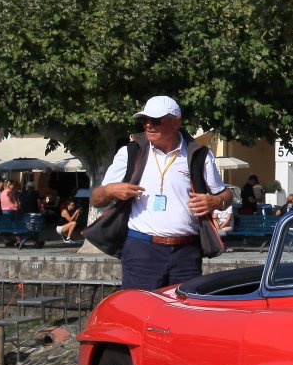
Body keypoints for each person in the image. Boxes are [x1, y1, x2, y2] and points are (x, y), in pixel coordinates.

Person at [92, 95, 231, 290]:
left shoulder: (199, 154)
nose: (148, 125)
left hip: (186, 251)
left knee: (183, 308)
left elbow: (226, 196)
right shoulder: (130, 152)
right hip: (142, 248)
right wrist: (109, 190)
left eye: (156, 120)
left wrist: (215, 201)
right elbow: (96, 199)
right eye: (144, 120)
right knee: (138, 307)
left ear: (176, 123)